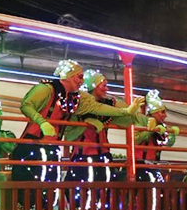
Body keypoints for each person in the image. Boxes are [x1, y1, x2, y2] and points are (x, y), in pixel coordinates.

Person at [11, 59, 143, 201]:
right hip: (33, 146)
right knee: (29, 195)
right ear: (68, 76)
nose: (82, 82)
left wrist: (126, 111)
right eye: (79, 77)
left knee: (50, 195)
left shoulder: (77, 99)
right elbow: (26, 105)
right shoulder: (47, 89)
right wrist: (41, 122)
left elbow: (98, 108)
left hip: (54, 149)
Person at [64, 69, 150, 204]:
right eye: (103, 85)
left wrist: (146, 121)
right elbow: (68, 136)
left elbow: (126, 118)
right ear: (93, 87)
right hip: (82, 159)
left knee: (101, 197)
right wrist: (85, 124)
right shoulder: (78, 105)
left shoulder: (109, 105)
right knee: (81, 197)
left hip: (102, 158)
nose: (107, 88)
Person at [134, 89, 180, 183]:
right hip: (140, 165)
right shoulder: (141, 121)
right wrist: (152, 130)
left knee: (158, 188)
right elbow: (136, 139)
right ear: (154, 113)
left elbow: (168, 143)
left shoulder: (162, 126)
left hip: (154, 164)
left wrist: (172, 134)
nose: (165, 115)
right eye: (162, 112)